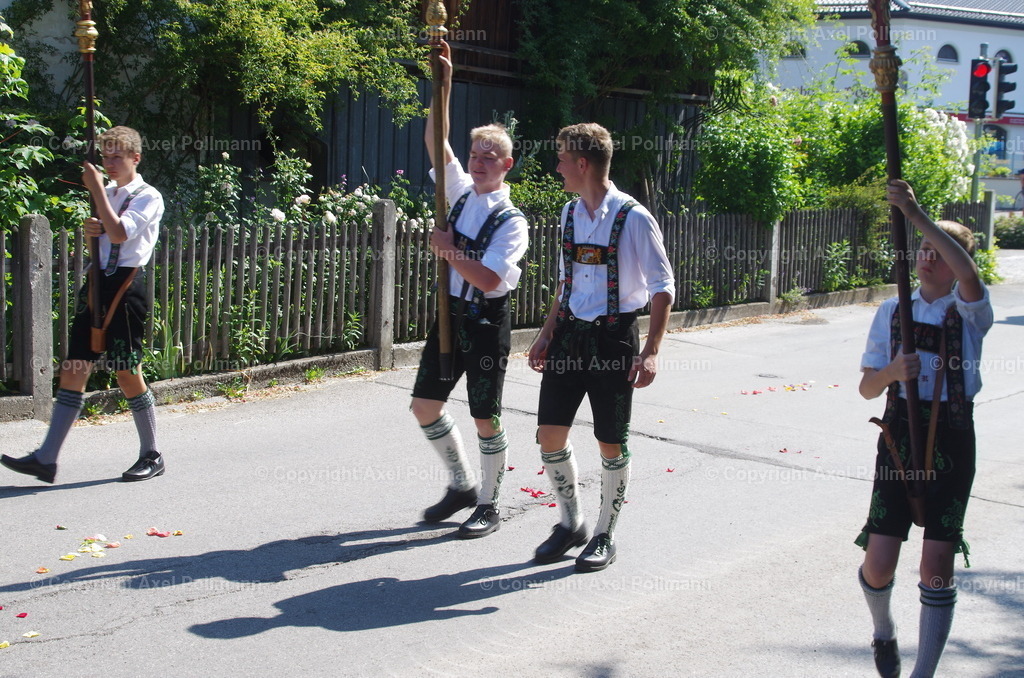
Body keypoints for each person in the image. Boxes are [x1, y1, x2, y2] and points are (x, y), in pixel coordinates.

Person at [855, 180, 993, 677]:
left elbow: (969, 275)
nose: (929, 257)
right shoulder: (894, 310)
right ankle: (883, 632)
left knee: (935, 567)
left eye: (941, 251)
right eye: (923, 251)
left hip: (952, 435)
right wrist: (893, 372)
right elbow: (867, 389)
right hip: (899, 437)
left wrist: (914, 214)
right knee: (879, 563)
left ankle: (923, 674)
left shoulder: (971, 310)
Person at [528, 123, 674, 572]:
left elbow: (663, 286)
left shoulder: (633, 217)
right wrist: (547, 332)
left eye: (561, 159)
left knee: (610, 440)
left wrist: (650, 349)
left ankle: (606, 534)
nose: (557, 168)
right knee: (550, 434)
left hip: (614, 338)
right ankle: (572, 522)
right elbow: (565, 281)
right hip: (570, 335)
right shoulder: (569, 213)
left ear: (583, 163)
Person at [1, 126, 165, 484]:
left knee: (126, 370)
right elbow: (105, 230)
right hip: (96, 285)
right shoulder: (104, 191)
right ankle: (46, 458)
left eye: (116, 156)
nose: (109, 163)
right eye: (105, 156)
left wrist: (97, 198)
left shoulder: (148, 195)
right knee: (74, 367)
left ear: (135, 157)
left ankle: (152, 453)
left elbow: (121, 233)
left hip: (126, 286)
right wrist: (94, 226)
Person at [411, 40, 528, 538]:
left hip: (485, 321)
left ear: (507, 164)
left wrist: (449, 249)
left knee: (485, 415)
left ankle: (490, 501)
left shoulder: (513, 220)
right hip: (450, 313)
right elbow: (438, 142)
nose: (478, 162)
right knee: (424, 406)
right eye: (476, 154)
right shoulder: (458, 191)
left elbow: (488, 278)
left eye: (490, 156)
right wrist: (446, 82)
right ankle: (460, 484)